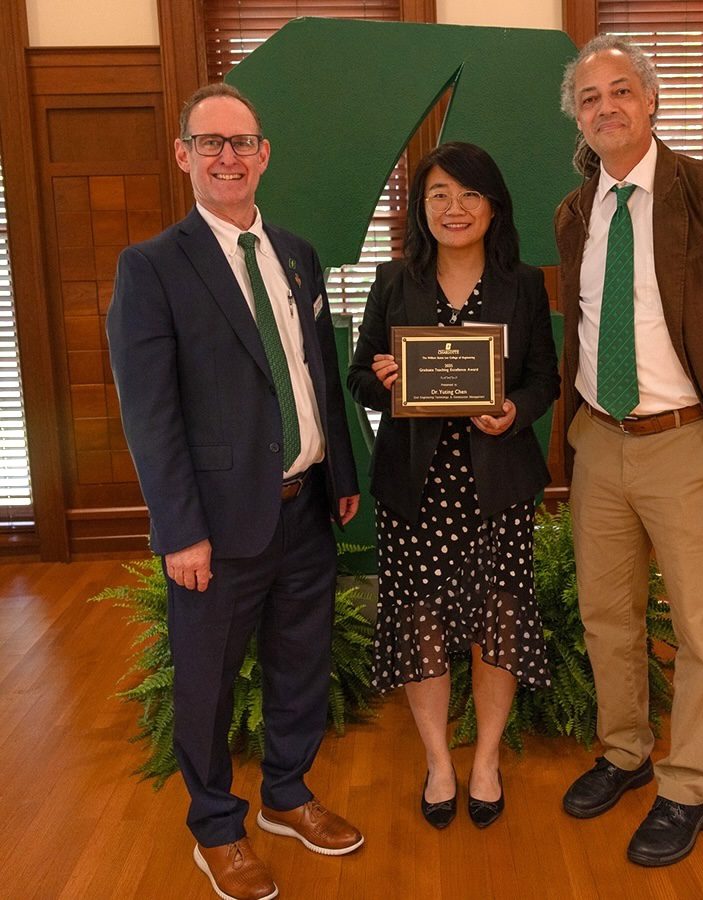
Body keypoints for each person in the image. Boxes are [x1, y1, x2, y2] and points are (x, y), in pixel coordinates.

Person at [107, 83, 364, 900]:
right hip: (216, 528)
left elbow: (319, 374)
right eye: (210, 142)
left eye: (243, 142)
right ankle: (216, 825)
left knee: (300, 664)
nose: (228, 156)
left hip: (308, 508)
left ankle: (288, 794)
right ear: (183, 154)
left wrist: (343, 475)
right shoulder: (151, 268)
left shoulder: (295, 252)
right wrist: (180, 530)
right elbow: (150, 414)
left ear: (264, 156)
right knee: (208, 681)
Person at [555, 36, 703, 866]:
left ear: (651, 101)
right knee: (606, 614)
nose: (607, 108)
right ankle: (624, 753)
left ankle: (687, 786)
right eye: (590, 99)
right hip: (598, 441)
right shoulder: (576, 211)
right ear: (578, 119)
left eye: (621, 91)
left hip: (687, 443)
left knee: (700, 630)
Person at [348, 142, 560, 830]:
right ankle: (439, 760)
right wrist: (381, 383)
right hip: (415, 493)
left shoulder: (524, 284)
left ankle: (487, 759)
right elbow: (357, 376)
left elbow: (542, 380)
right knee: (422, 627)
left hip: (495, 489)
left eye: (468, 194)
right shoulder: (394, 280)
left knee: (496, 622)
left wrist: (514, 412)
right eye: (438, 194)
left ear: (493, 205)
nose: (454, 208)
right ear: (420, 207)